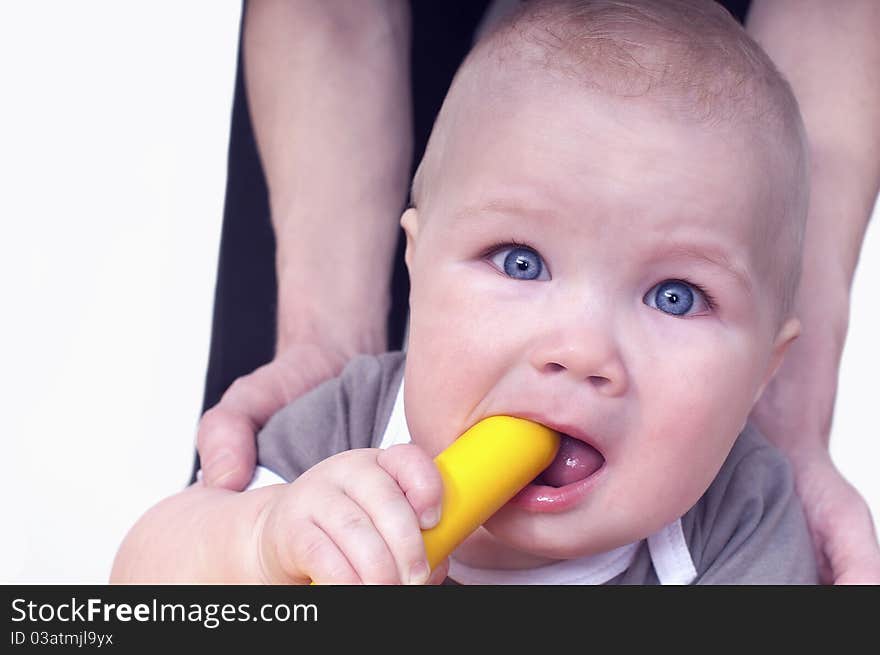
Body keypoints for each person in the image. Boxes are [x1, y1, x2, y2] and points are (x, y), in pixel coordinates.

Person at [113, 0, 821, 584]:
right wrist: (261, 542)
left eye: (675, 295)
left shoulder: (738, 515)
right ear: (415, 269)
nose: (579, 351)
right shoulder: (350, 426)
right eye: (519, 262)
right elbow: (142, 583)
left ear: (766, 366)